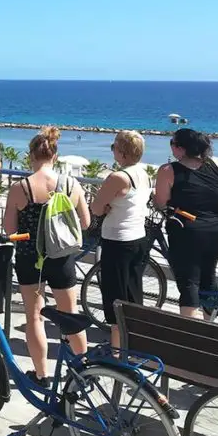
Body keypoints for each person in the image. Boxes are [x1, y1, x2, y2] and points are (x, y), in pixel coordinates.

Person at [3, 126, 90, 386]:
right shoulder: (71, 184)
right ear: (55, 155)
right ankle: (83, 373)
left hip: (31, 258)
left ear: (31, 156)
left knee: (34, 316)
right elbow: (85, 223)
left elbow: (9, 229)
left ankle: (41, 375)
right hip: (62, 257)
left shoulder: (21, 187)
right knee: (71, 314)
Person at [154, 128, 218, 319]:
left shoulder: (168, 171)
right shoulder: (217, 164)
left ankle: (191, 336)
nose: (172, 148)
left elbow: (161, 203)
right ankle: (209, 326)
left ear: (181, 149)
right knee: (208, 276)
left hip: (186, 231)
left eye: (173, 144)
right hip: (216, 230)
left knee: (189, 282)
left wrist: (154, 199)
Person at [89, 131, 151, 347]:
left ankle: (117, 351)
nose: (112, 150)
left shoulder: (118, 177)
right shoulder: (143, 174)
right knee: (133, 292)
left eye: (114, 147)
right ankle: (133, 344)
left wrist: (104, 206)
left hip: (118, 241)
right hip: (138, 237)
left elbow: (96, 208)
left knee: (115, 297)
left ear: (122, 152)